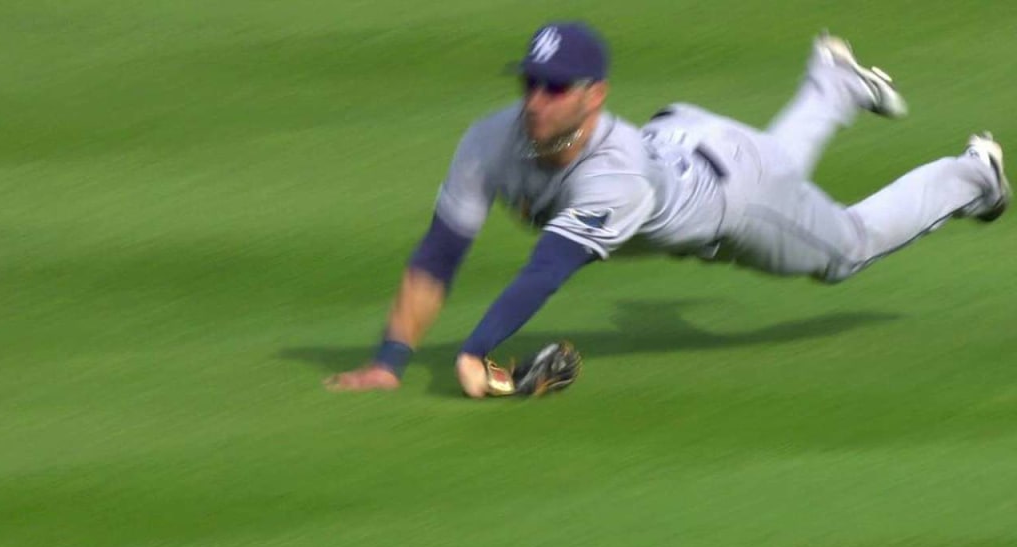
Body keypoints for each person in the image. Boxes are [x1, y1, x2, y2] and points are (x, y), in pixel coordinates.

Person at [329, 22, 1010, 398]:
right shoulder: (490, 137)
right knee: (779, 163)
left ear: (593, 95)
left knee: (848, 249)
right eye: (530, 81)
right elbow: (440, 252)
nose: (536, 98)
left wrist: (477, 350)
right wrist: (390, 360)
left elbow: (547, 269)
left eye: (556, 87)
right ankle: (832, 85)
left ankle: (974, 175)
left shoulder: (613, 177)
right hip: (691, 142)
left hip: (737, 196)